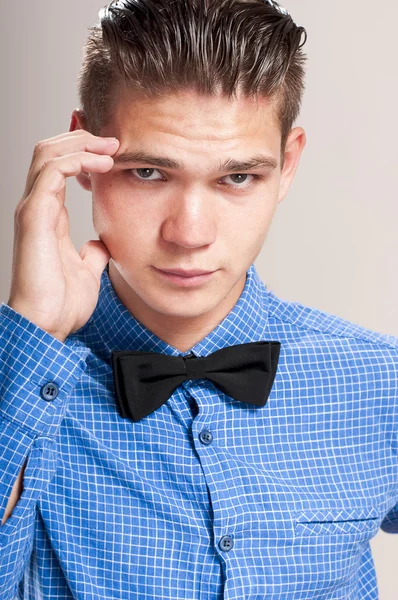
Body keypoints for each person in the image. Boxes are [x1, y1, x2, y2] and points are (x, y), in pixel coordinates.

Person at [0, 0, 397, 598]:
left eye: (237, 177)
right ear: (83, 156)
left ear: (287, 165)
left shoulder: (379, 381)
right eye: (149, 174)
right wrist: (31, 335)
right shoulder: (18, 390)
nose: (189, 233)